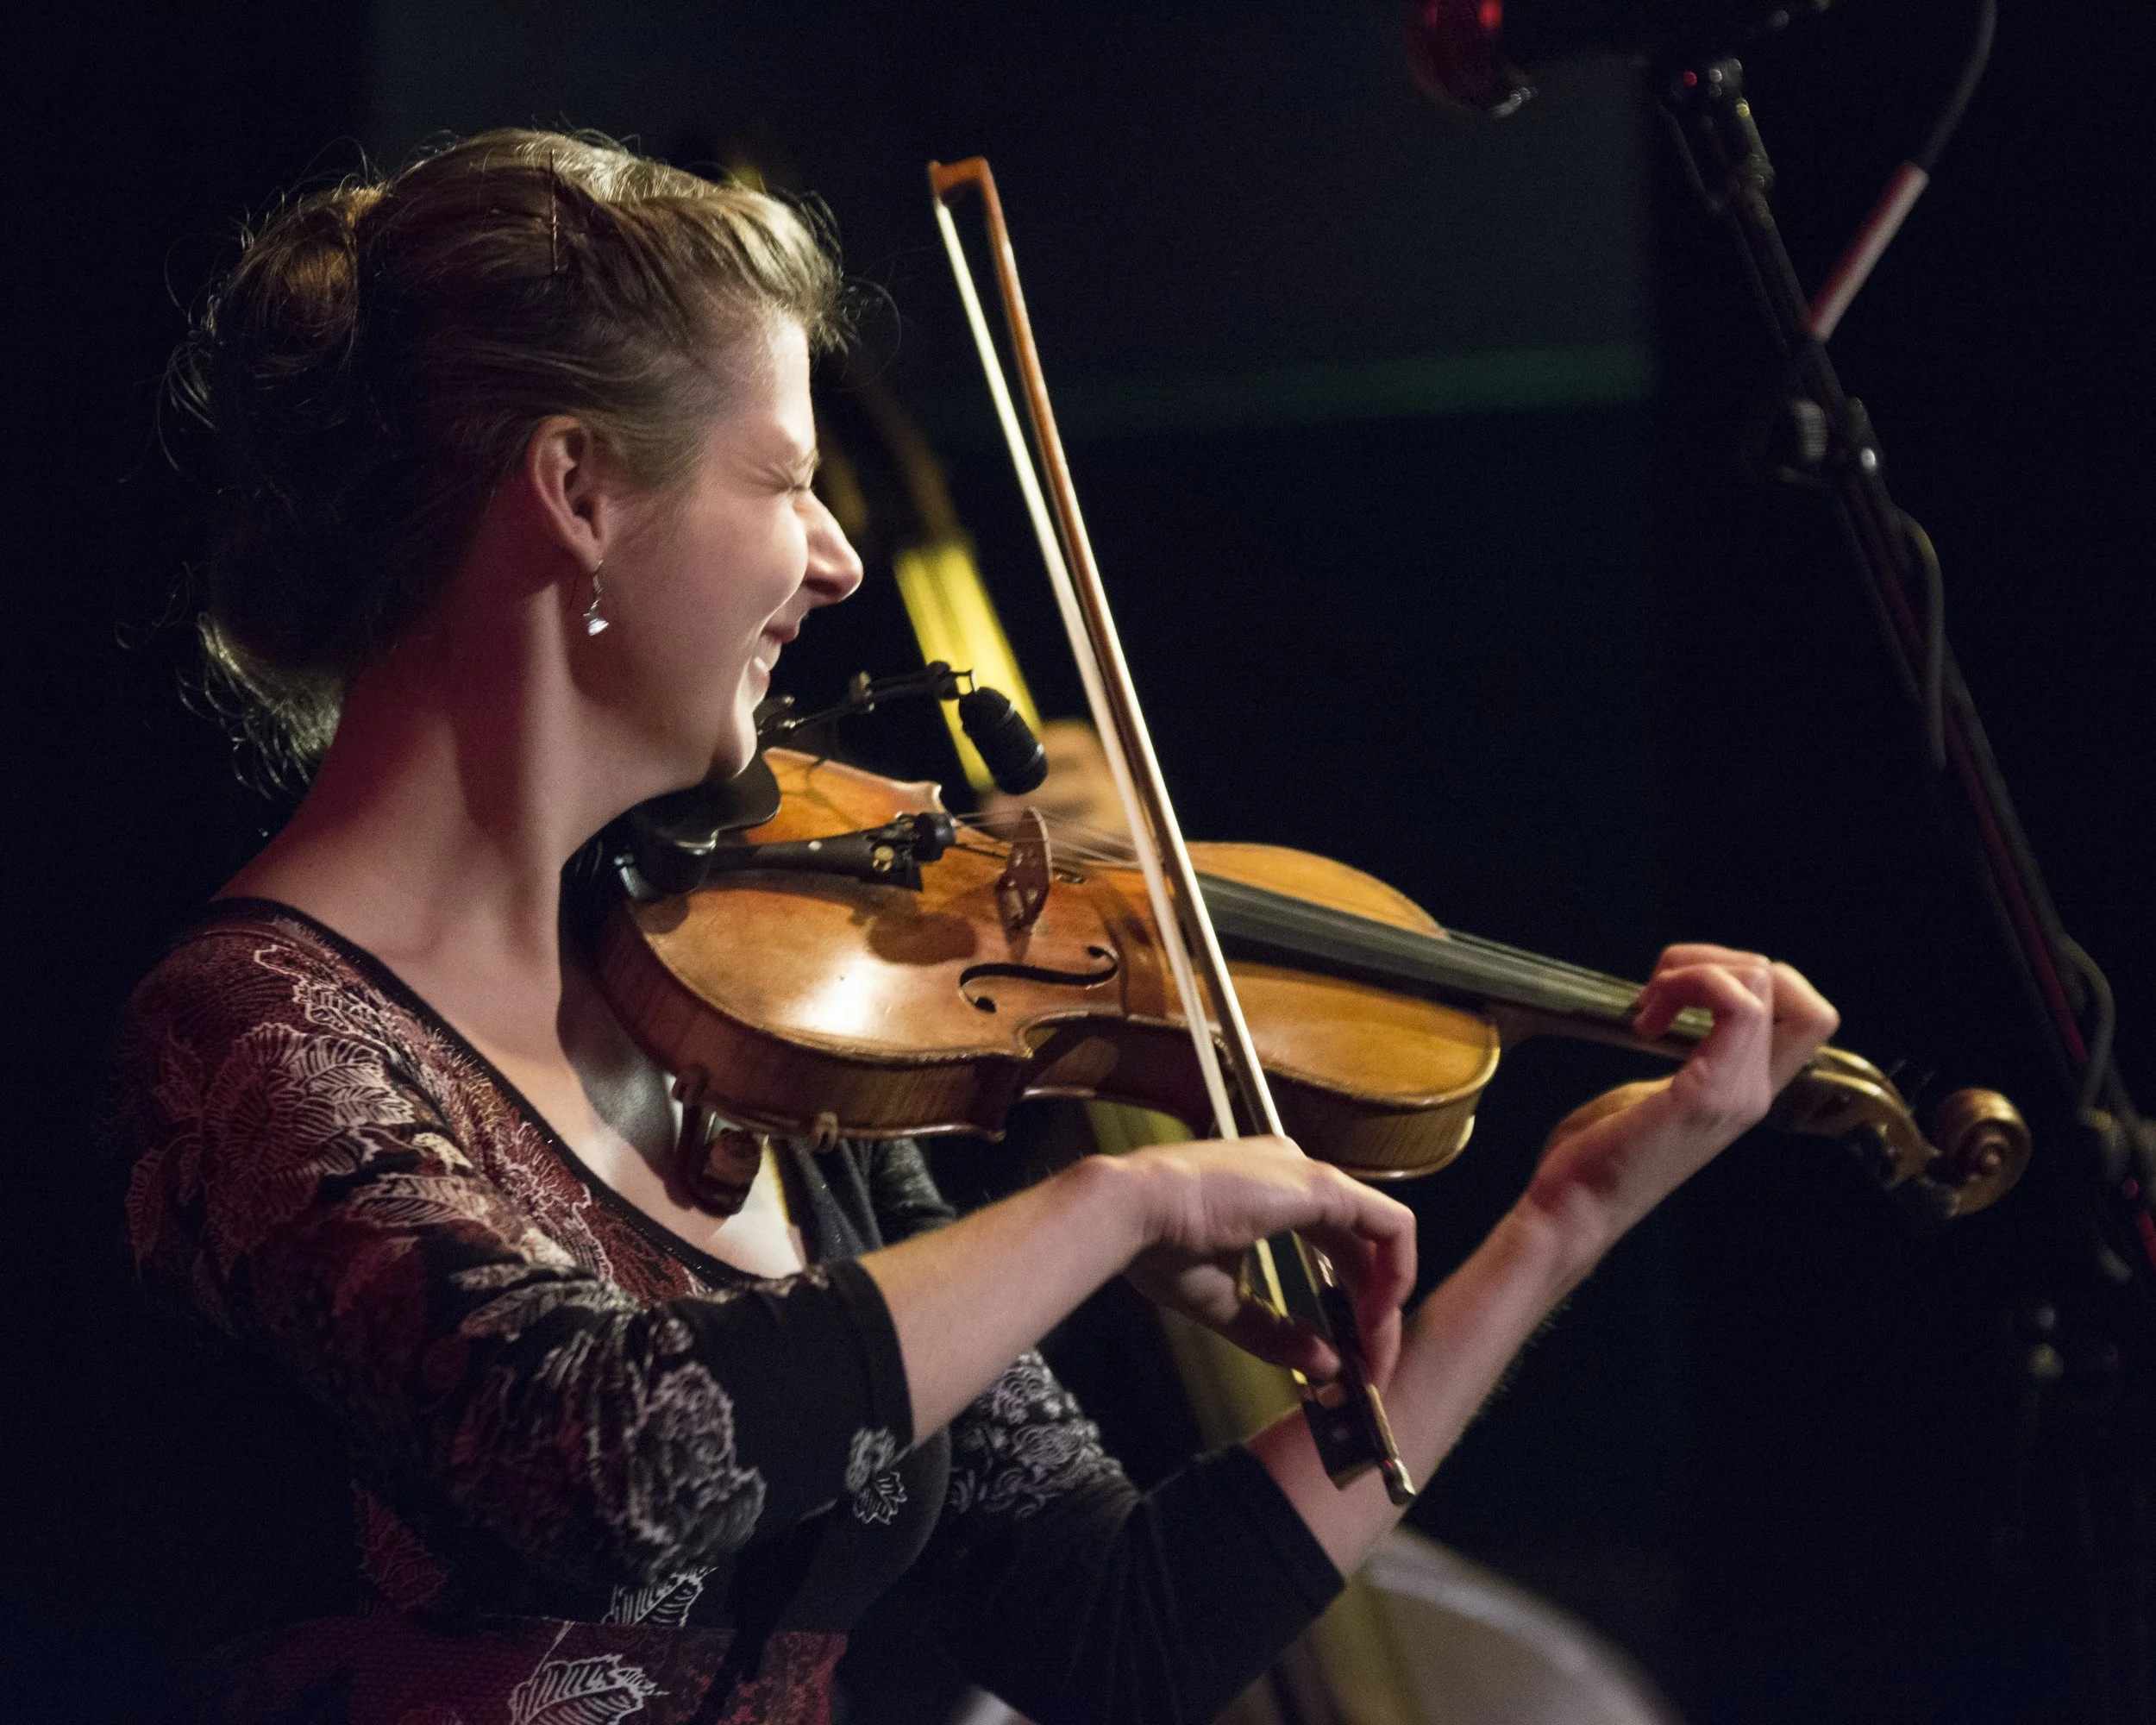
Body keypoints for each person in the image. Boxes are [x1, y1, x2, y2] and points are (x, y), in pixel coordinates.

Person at [110, 129, 1839, 1725]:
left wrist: (1561, 1220)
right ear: (577, 489)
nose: (840, 556)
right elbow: (614, 1456)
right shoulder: (247, 1038)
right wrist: (1115, 1201)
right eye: (782, 477)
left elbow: (1118, 1631)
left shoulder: (728, 1027)